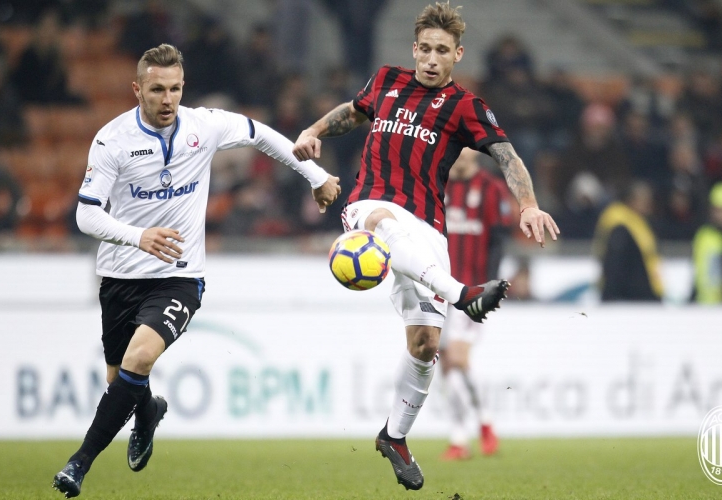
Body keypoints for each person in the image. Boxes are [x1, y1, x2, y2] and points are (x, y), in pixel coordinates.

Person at [51, 44, 340, 498]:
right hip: (120, 276)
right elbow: (86, 215)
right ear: (137, 89)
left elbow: (261, 134)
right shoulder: (112, 140)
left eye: (175, 89)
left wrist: (316, 176)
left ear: (183, 87)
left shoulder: (204, 125)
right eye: (157, 90)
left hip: (180, 275)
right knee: (119, 380)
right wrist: (137, 236)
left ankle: (78, 464)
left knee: (139, 360)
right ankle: (148, 410)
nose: (167, 99)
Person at [293, 3, 559, 490]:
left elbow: (506, 155)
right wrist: (312, 131)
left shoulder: (465, 106)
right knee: (382, 224)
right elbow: (352, 113)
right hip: (371, 205)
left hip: (428, 228)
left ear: (458, 55)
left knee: (425, 345)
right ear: (414, 49)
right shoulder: (386, 81)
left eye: (443, 51)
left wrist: (528, 205)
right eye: (426, 49)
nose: (432, 59)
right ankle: (462, 295)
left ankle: (394, 436)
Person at [439, 147, 512, 461]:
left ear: (476, 153)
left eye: (466, 148)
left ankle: (473, 430)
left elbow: (498, 241)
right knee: (447, 365)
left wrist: (489, 288)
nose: (461, 154)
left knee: (457, 357)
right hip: (436, 290)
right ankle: (471, 431)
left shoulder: (490, 188)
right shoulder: (437, 183)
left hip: (471, 292)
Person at [593, 181, 663, 302]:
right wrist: (612, 294)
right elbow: (615, 263)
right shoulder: (620, 223)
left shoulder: (637, 221)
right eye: (645, 201)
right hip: (630, 296)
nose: (649, 205)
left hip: (640, 292)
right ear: (632, 200)